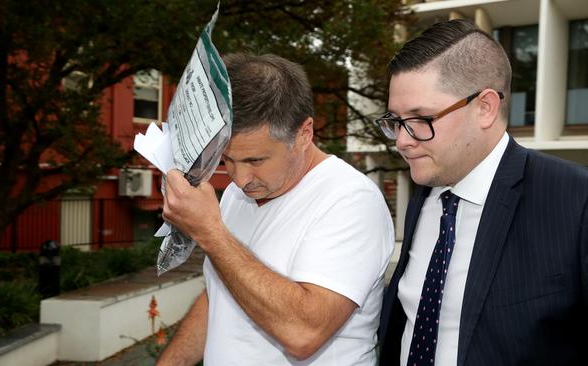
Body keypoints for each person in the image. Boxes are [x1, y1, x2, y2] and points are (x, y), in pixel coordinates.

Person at [156, 53, 395, 365]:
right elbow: (220, 298)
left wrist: (211, 233)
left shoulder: (350, 200)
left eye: (256, 160)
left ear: (304, 134)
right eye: (227, 159)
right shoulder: (233, 196)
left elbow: (304, 334)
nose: (239, 179)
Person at [377, 19, 588, 366]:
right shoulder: (424, 197)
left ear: (485, 107)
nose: (402, 140)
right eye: (396, 120)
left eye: (421, 119)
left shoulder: (575, 201)